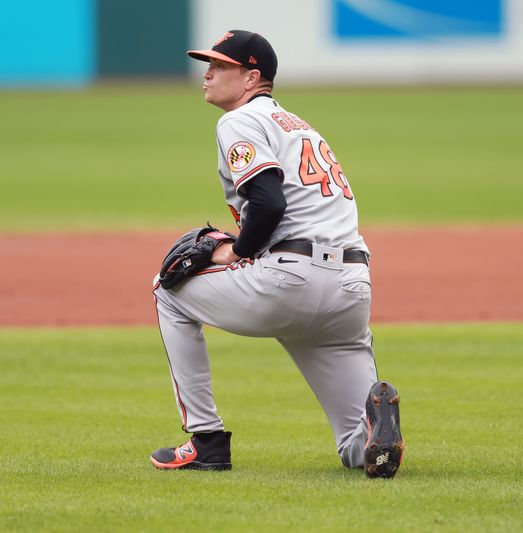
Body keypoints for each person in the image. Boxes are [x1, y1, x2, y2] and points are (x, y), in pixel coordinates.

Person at [149, 30, 404, 478]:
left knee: (168, 291)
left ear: (252, 77)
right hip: (351, 288)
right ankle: (373, 440)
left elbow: (269, 202)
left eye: (220, 66)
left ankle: (206, 442)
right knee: (354, 446)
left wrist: (236, 251)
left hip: (291, 278)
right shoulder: (300, 125)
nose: (207, 74)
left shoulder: (239, 121)